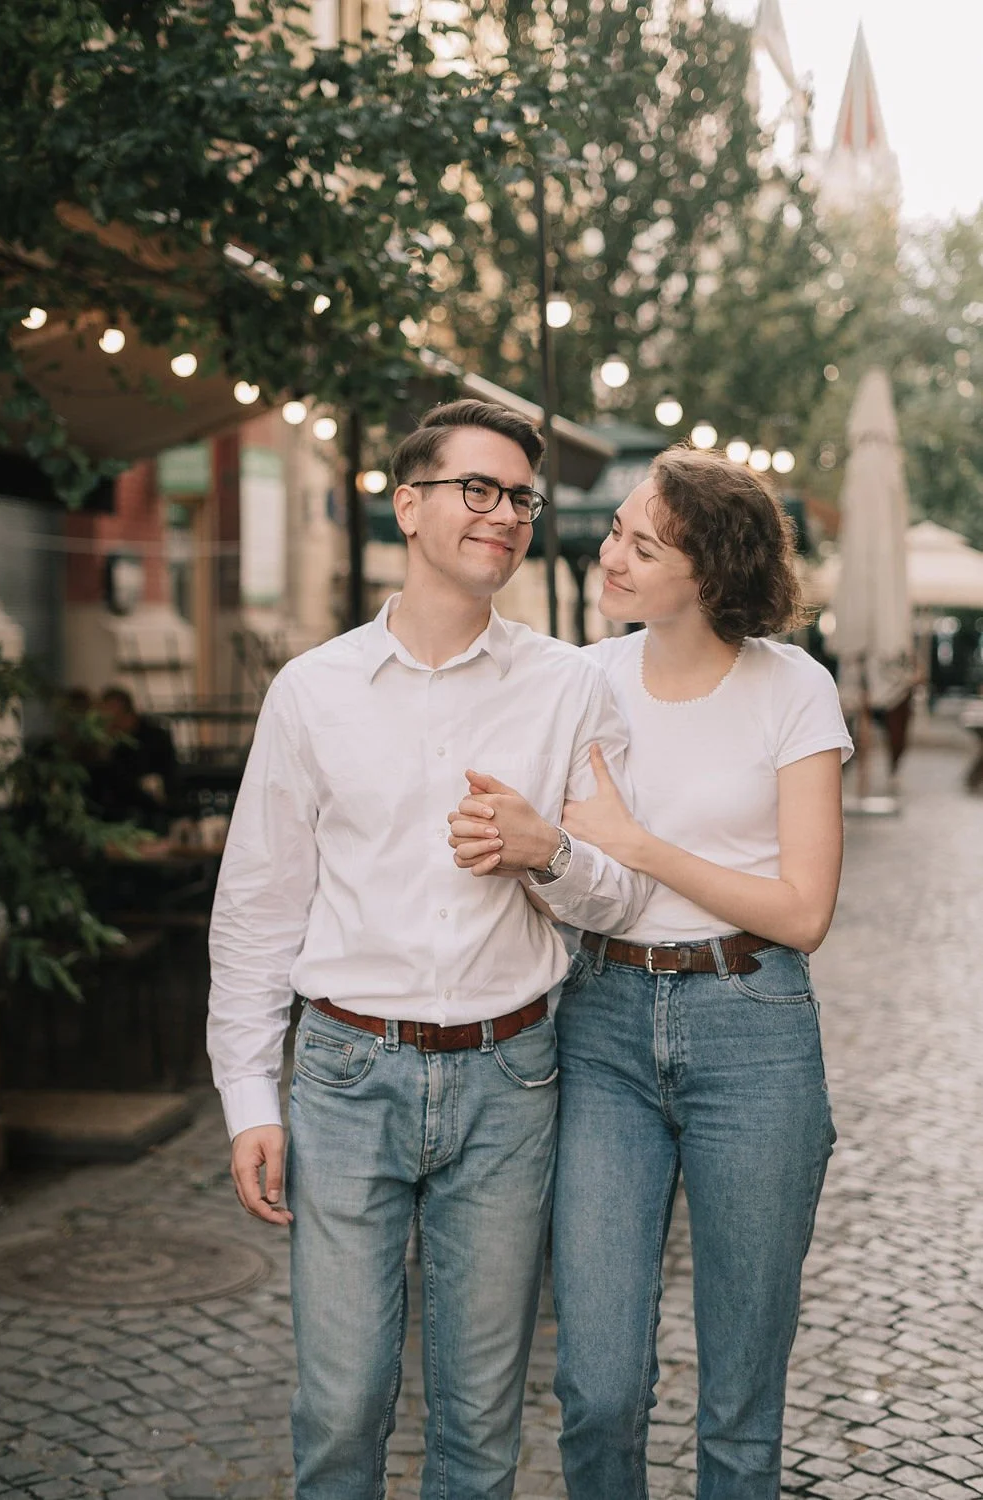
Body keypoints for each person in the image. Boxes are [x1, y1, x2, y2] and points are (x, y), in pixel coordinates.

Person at [206, 399, 649, 1500]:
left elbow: (623, 895)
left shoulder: (569, 686)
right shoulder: (312, 693)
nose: (505, 516)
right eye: (479, 490)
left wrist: (546, 854)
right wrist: (249, 1098)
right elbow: (257, 907)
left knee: (479, 1421)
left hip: (511, 1077)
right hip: (348, 1076)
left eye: (521, 499)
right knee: (343, 1406)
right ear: (409, 506)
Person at [448, 446, 853, 1499]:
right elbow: (554, 867)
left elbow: (805, 911)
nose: (610, 553)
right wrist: (542, 852)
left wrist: (637, 842)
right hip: (603, 1023)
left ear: (710, 574)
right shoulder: (581, 680)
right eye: (617, 529)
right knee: (596, 1386)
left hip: (753, 1029)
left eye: (643, 543)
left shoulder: (794, 692)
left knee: (739, 1403)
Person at [86, 685, 179, 831]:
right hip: (115, 812)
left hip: (149, 810)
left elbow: (167, 775)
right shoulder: (107, 741)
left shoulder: (154, 737)